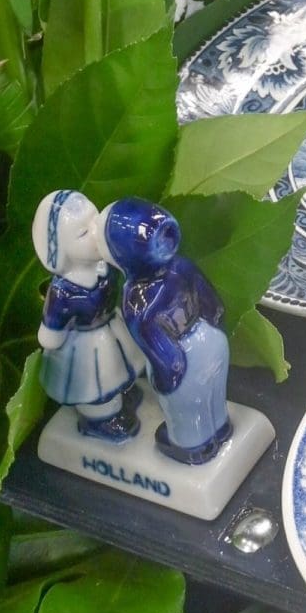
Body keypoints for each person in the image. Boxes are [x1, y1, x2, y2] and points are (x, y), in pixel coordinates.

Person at [104, 196, 233, 463]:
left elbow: (155, 345)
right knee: (213, 391)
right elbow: (213, 305)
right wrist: (216, 331)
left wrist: (168, 377)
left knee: (187, 407)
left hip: (182, 356)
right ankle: (220, 428)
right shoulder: (183, 266)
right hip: (210, 339)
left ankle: (193, 444)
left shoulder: (135, 299)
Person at [32, 190, 144, 441]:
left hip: (111, 326)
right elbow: (52, 328)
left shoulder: (105, 266)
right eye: (84, 233)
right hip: (85, 345)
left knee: (121, 366)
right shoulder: (63, 290)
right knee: (95, 383)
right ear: (60, 249)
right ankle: (100, 418)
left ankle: (121, 393)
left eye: (96, 220)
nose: (96, 232)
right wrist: (51, 337)